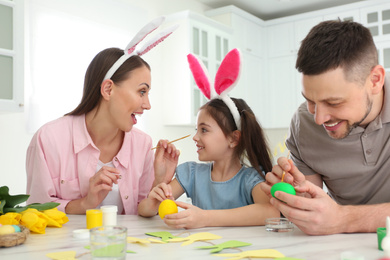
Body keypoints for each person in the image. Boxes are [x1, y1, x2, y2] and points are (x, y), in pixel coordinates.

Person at [26, 17, 180, 215]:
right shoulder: (48, 139)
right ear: (108, 89)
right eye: (142, 92)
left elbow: (145, 212)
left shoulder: (143, 144)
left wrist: (160, 182)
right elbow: (36, 211)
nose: (147, 105)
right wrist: (85, 203)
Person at [260, 20, 389, 235]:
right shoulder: (304, 124)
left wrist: (344, 219)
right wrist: (300, 201)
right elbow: (311, 204)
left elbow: (338, 220)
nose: (318, 119)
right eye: (310, 100)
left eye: (334, 102)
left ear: (375, 80)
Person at [138, 49, 279, 228]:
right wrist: (158, 186)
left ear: (233, 139)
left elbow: (270, 212)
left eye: (204, 130)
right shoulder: (191, 174)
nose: (195, 137)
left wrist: (204, 218)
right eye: (197, 129)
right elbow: (145, 210)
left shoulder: (250, 179)